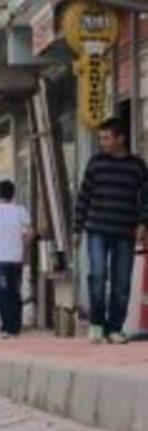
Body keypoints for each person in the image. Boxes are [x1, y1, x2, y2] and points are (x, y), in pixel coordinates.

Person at [74, 117, 148, 345]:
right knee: (97, 275)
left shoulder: (137, 166)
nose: (102, 143)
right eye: (100, 138)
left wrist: (143, 223)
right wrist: (77, 228)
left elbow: (145, 199)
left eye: (106, 138)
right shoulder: (95, 163)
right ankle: (97, 324)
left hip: (125, 231)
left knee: (122, 282)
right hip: (97, 228)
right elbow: (83, 196)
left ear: (120, 139)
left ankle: (115, 328)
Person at [0, 180, 32, 339]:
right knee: (15, 292)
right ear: (13, 193)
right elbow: (30, 232)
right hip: (16, 259)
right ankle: (15, 326)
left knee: (3, 293)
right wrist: (24, 248)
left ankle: (6, 327)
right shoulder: (21, 211)